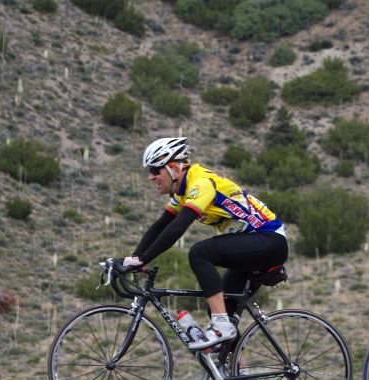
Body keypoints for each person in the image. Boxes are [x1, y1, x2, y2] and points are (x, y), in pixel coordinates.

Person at [123, 137, 288, 351]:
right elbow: (160, 226)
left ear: (174, 168)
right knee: (219, 307)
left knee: (200, 252)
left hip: (269, 241)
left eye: (155, 170)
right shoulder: (182, 193)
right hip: (254, 245)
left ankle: (221, 327)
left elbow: (177, 228)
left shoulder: (201, 183)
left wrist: (144, 259)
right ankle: (238, 375)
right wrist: (134, 258)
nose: (151, 177)